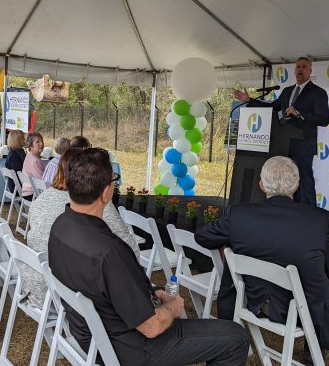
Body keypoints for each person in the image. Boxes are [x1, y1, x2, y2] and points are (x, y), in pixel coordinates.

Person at [48, 148, 249, 365]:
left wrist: (156, 294)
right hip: (131, 347)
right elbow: (152, 327)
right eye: (114, 180)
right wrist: (173, 307)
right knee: (236, 337)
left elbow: (113, 290)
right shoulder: (109, 252)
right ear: (106, 193)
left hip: (93, 337)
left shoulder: (60, 226)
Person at [195, 156, 329, 352]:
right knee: (327, 281)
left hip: (252, 301)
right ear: (297, 185)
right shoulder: (320, 219)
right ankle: (314, 350)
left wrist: (229, 244)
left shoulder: (239, 215)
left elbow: (202, 237)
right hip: (303, 312)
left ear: (261, 185)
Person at [20, 148, 139, 309]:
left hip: (36, 285)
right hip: (65, 298)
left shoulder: (41, 199)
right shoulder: (92, 203)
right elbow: (131, 253)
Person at [234, 57, 329, 206]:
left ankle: (310, 215)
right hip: (283, 145)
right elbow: (272, 107)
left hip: (303, 146)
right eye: (298, 67)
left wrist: (300, 114)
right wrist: (249, 100)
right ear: (294, 70)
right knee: (284, 184)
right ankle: (288, 212)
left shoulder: (318, 93)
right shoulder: (287, 91)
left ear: (310, 71)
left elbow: (324, 119)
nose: (300, 70)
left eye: (304, 67)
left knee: (304, 183)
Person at [21, 132, 44, 200]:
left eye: (42, 141)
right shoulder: (35, 160)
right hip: (32, 194)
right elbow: (42, 182)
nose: (41, 144)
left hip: (27, 192)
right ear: (31, 146)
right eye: (37, 142)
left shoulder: (29, 155)